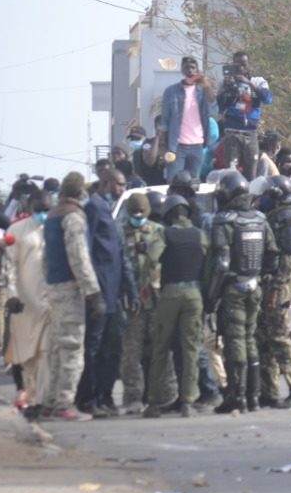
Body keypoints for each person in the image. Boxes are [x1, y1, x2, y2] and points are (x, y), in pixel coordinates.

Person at [206, 171, 280, 413]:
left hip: (233, 288)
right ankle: (254, 396)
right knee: (250, 339)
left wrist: (211, 297)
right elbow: (273, 256)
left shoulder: (224, 221)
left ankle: (237, 396)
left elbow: (221, 264)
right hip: (255, 285)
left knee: (235, 341)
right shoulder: (260, 219)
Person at [43, 172, 105, 421]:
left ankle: (50, 401)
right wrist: (93, 291)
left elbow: (45, 259)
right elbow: (79, 258)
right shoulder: (74, 217)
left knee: (57, 349)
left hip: (54, 288)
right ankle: (65, 404)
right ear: (81, 192)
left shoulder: (51, 215)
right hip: (71, 289)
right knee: (71, 350)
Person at [78, 170, 138, 418]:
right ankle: (88, 399)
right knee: (93, 347)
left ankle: (105, 396)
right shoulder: (93, 208)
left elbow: (120, 256)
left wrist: (131, 290)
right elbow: (87, 251)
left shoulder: (110, 211)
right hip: (99, 293)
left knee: (112, 347)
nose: (122, 189)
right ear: (106, 183)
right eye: (119, 184)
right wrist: (93, 292)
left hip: (114, 294)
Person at [144, 195, 209, 418]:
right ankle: (188, 403)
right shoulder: (199, 234)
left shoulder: (164, 233)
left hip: (170, 293)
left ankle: (153, 402)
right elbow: (209, 263)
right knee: (191, 349)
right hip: (195, 294)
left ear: (169, 215)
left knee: (161, 347)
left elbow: (152, 258)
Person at [256, 176, 291, 409]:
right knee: (264, 337)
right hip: (269, 283)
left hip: (279, 286)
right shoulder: (276, 216)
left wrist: (276, 287)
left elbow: (289, 258)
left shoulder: (289, 219)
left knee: (279, 336)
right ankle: (268, 391)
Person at [3, 192, 53, 419]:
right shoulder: (17, 230)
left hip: (49, 302)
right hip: (23, 304)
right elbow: (8, 266)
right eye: (39, 209)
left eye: (47, 209)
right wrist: (11, 295)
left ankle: (41, 401)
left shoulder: (55, 229)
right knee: (28, 357)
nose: (43, 214)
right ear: (31, 208)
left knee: (46, 353)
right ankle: (30, 398)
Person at [119, 194, 169, 415]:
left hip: (156, 300)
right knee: (131, 354)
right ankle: (132, 397)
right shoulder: (120, 233)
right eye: (134, 213)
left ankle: (164, 395)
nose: (137, 217)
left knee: (159, 351)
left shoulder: (158, 231)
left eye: (141, 213)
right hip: (132, 303)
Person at [160, 57, 216, 183]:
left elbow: (214, 109)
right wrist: (163, 144)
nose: (190, 71)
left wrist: (207, 86)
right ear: (182, 70)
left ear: (197, 70)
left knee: (193, 183)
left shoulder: (202, 91)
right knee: (174, 182)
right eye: (187, 67)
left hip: (197, 145)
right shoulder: (171, 91)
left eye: (193, 68)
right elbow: (164, 120)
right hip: (177, 146)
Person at [218, 51, 272, 174]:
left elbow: (267, 99)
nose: (240, 68)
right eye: (237, 64)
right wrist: (227, 89)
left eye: (243, 64)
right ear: (233, 64)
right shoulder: (225, 82)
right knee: (231, 171)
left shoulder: (258, 81)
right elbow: (220, 107)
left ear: (248, 64)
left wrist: (249, 83)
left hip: (250, 132)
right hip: (232, 132)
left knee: (251, 170)